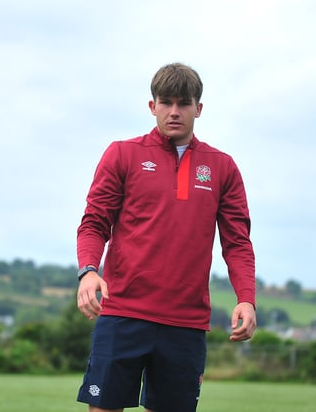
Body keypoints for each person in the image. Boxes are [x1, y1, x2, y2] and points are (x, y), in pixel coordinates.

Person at [75, 63, 257, 412]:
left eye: (184, 103)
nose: (175, 111)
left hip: (185, 323)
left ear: (198, 109)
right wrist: (88, 270)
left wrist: (246, 298)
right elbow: (94, 223)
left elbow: (237, 243)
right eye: (166, 102)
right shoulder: (122, 154)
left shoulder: (223, 167)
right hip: (123, 312)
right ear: (152, 106)